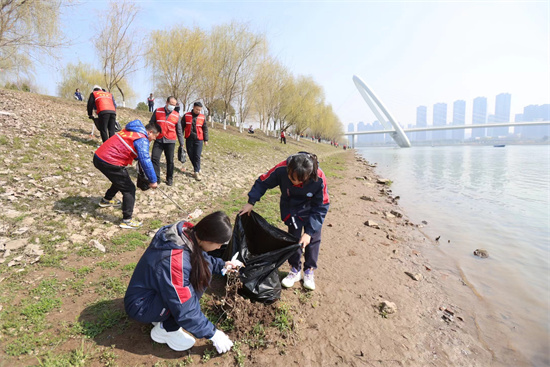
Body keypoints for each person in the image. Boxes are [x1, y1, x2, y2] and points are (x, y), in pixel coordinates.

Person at [124, 211, 243, 354]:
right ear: (208, 239)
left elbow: (202, 259)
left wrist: (223, 265)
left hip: (151, 292)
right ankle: (166, 330)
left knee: (202, 272)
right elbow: (184, 306)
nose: (219, 248)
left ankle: (161, 315)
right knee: (198, 281)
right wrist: (213, 334)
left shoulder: (187, 234)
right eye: (219, 244)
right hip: (141, 306)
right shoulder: (175, 260)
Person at [239, 152, 330, 291]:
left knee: (313, 238)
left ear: (308, 176)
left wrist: (309, 232)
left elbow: (322, 205)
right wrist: (251, 202)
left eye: (299, 180)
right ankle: (295, 269)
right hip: (291, 208)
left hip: (312, 209)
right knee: (293, 238)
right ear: (288, 170)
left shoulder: (318, 177)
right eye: (292, 178)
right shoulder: (281, 169)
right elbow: (263, 182)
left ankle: (309, 270)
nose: (294, 182)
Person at [93, 119, 160, 229]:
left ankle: (106, 200)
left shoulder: (132, 130)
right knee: (129, 189)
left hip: (99, 156)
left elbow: (132, 149)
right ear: (150, 132)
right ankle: (127, 220)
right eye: (155, 136)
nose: (154, 139)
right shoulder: (142, 139)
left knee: (120, 180)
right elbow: (145, 160)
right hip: (109, 161)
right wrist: (153, 180)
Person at [150, 96, 181, 186]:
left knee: (170, 161)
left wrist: (182, 144)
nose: (172, 106)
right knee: (155, 158)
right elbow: (152, 123)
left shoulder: (176, 115)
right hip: (158, 139)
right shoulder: (158, 111)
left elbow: (179, 130)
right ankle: (157, 178)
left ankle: (169, 178)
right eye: (171, 104)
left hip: (170, 141)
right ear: (166, 102)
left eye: (174, 105)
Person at [178, 102, 208, 181]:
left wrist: (206, 139)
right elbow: (181, 128)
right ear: (193, 107)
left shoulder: (202, 117)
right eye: (197, 109)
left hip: (199, 139)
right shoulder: (186, 116)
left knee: (197, 155)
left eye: (200, 110)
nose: (198, 111)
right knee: (191, 154)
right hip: (189, 138)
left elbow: (205, 129)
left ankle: (196, 172)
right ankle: (197, 168)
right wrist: (180, 139)